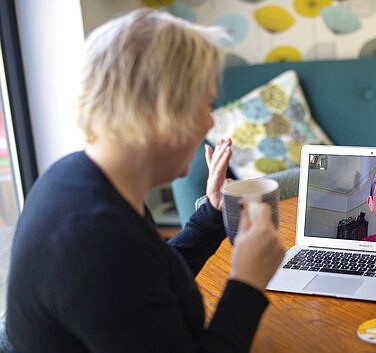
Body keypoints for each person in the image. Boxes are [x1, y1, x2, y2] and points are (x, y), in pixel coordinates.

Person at [6, 9, 285, 353]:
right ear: (164, 110)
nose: (209, 123)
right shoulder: (95, 241)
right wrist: (247, 281)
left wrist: (212, 212)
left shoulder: (77, 177)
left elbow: (146, 284)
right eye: (206, 104)